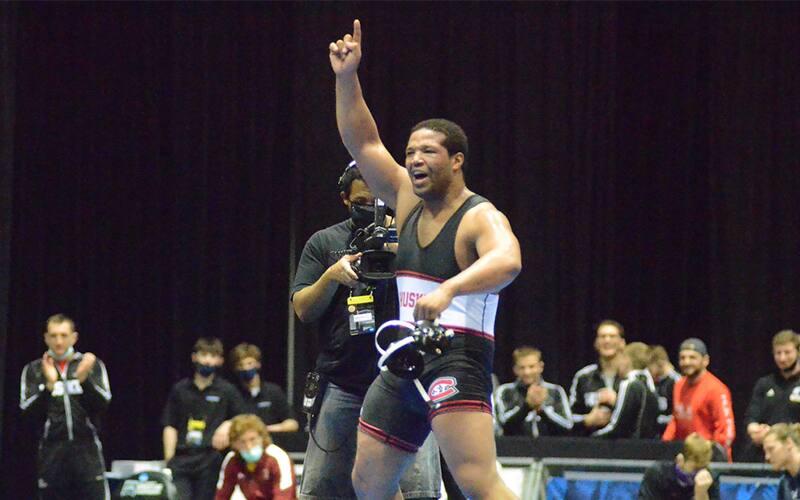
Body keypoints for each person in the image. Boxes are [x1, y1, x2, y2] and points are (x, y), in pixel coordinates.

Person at [329, 20, 522, 499]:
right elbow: (363, 142)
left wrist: (451, 288)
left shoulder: (479, 216)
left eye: (428, 152)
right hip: (405, 357)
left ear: (456, 160)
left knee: (477, 483)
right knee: (368, 482)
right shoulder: (405, 197)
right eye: (411, 151)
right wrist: (347, 77)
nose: (414, 159)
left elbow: (508, 261)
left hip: (458, 358)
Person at [290, 161, 441, 500]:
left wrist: (404, 255)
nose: (371, 210)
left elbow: (442, 296)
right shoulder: (325, 242)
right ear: (345, 198)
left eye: (378, 202)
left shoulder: (416, 238)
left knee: (419, 492)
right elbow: (303, 309)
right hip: (343, 381)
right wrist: (331, 276)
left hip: (406, 381)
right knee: (320, 491)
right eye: (361, 203)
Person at [19, 313, 112, 500]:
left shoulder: (90, 364)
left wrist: (85, 381)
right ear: (46, 338)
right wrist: (49, 386)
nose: (59, 341)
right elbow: (27, 411)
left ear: (74, 337)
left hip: (87, 450)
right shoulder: (34, 369)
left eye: (64, 335)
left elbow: (104, 405)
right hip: (52, 451)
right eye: (53, 336)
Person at [161, 337, 247, 500]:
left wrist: (228, 424)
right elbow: (170, 425)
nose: (207, 361)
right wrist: (169, 460)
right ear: (194, 357)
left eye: (213, 356)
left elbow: (243, 418)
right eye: (203, 355)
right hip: (182, 457)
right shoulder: (180, 389)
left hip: (210, 458)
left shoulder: (227, 390)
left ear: (220, 361)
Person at [662, 338, 735, 461]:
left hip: (709, 460)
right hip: (686, 458)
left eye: (692, 358)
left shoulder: (717, 389)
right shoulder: (678, 385)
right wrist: (665, 445)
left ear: (705, 360)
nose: (686, 362)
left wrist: (712, 457)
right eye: (683, 358)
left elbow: (726, 432)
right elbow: (676, 419)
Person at [744, 330, 800, 462]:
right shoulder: (764, 383)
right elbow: (751, 418)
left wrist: (775, 433)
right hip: (764, 456)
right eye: (778, 353)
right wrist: (755, 430)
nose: (782, 358)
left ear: (798, 352)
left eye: (787, 352)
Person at [494, 346, 572, 437]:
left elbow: (568, 425)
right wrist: (526, 406)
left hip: (550, 445)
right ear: (515, 369)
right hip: (515, 445)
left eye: (531, 367)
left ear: (541, 367)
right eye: (522, 368)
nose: (527, 372)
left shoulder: (555, 391)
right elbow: (501, 424)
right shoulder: (505, 391)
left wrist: (541, 410)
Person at [215, 414, 296, 500]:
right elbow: (221, 495)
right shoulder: (232, 459)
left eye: (252, 439)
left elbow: (285, 496)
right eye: (242, 442)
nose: (248, 447)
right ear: (234, 444)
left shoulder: (278, 457)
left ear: (262, 437)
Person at [569, 319, 626, 435]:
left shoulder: (633, 378)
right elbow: (568, 417)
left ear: (622, 342)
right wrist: (587, 420)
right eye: (602, 336)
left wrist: (618, 402)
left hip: (627, 442)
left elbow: (645, 416)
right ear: (596, 343)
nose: (607, 340)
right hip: (590, 442)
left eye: (612, 336)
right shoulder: (583, 377)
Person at [592, 343, 659, 439]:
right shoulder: (650, 384)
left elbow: (617, 427)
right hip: (649, 445)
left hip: (629, 446)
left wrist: (593, 438)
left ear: (626, 360)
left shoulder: (629, 384)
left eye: (619, 359)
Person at [228, 343, 299, 433]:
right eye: (240, 365)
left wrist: (264, 430)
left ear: (258, 364)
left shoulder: (273, 391)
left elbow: (292, 424)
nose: (245, 368)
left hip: (269, 438)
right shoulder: (231, 393)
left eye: (249, 363)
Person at [638, 432, 719, 499]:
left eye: (703, 467)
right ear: (680, 460)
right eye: (695, 468)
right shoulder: (657, 474)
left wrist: (701, 495)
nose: (699, 473)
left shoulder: (709, 479)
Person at [648, 344, 681, 436]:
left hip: (671, 435)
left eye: (649, 366)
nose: (648, 370)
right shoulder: (652, 380)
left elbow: (680, 415)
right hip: (656, 435)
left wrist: (657, 420)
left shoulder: (676, 382)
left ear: (660, 363)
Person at [763, 423, 800, 499]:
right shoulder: (784, 483)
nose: (767, 457)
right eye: (765, 451)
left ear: (788, 443)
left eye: (771, 449)